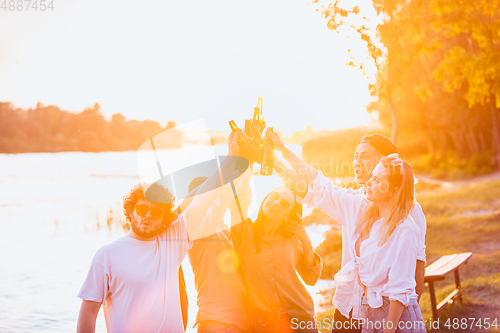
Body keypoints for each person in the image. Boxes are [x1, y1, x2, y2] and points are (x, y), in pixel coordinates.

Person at [76, 133, 243, 333]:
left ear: (163, 218)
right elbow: (88, 311)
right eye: (141, 209)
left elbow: (203, 197)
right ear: (130, 212)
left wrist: (231, 158)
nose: (147, 215)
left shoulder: (173, 241)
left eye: (155, 212)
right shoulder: (107, 255)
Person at [269, 132, 427, 333]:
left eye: (365, 156)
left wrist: (408, 313)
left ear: (385, 161)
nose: (357, 163)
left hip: (388, 312)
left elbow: (417, 265)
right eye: (355, 156)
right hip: (348, 307)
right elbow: (312, 187)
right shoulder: (357, 203)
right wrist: (276, 155)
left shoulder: (410, 214)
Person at [228, 162, 323, 333]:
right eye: (274, 196)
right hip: (263, 324)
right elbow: (239, 200)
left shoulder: (294, 238)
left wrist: (307, 244)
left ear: (288, 215)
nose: (276, 203)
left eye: (284, 204)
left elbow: (311, 279)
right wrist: (246, 161)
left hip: (301, 320)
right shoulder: (245, 232)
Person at [186, 176, 253, 333]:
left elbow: (242, 202)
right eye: (207, 198)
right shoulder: (197, 229)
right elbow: (219, 207)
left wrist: (246, 169)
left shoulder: (224, 231)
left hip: (240, 321)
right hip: (218, 322)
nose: (212, 202)